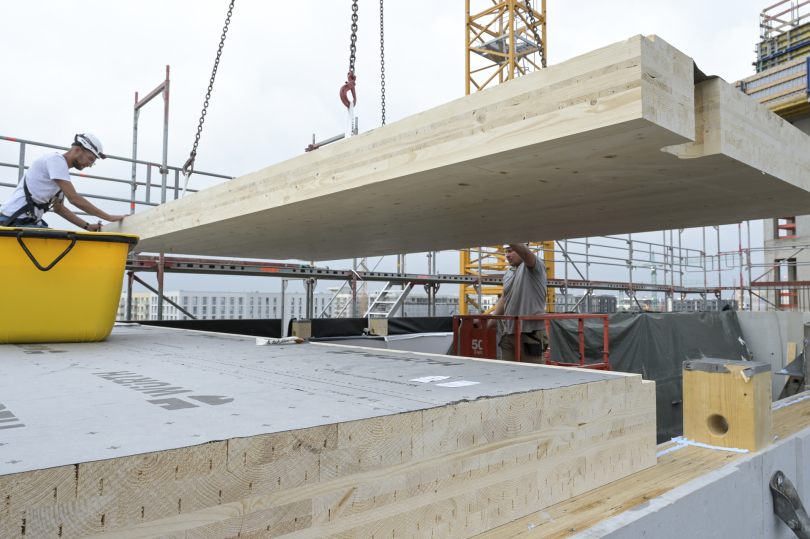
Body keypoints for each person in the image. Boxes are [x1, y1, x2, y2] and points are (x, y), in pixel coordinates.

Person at [0, 133, 126, 230]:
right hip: (14, 220)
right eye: (90, 159)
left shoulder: (60, 175)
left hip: (24, 222)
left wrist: (87, 226)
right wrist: (109, 217)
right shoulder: (56, 160)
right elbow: (74, 198)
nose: (90, 165)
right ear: (77, 150)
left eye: (93, 162)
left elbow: (59, 208)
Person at [487, 243, 550, 363]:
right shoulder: (508, 273)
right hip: (510, 333)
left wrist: (511, 236)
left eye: (511, 251)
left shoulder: (534, 267)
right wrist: (493, 319)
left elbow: (525, 253)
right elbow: (505, 297)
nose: (507, 255)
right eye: (506, 252)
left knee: (531, 375)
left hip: (531, 333)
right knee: (507, 374)